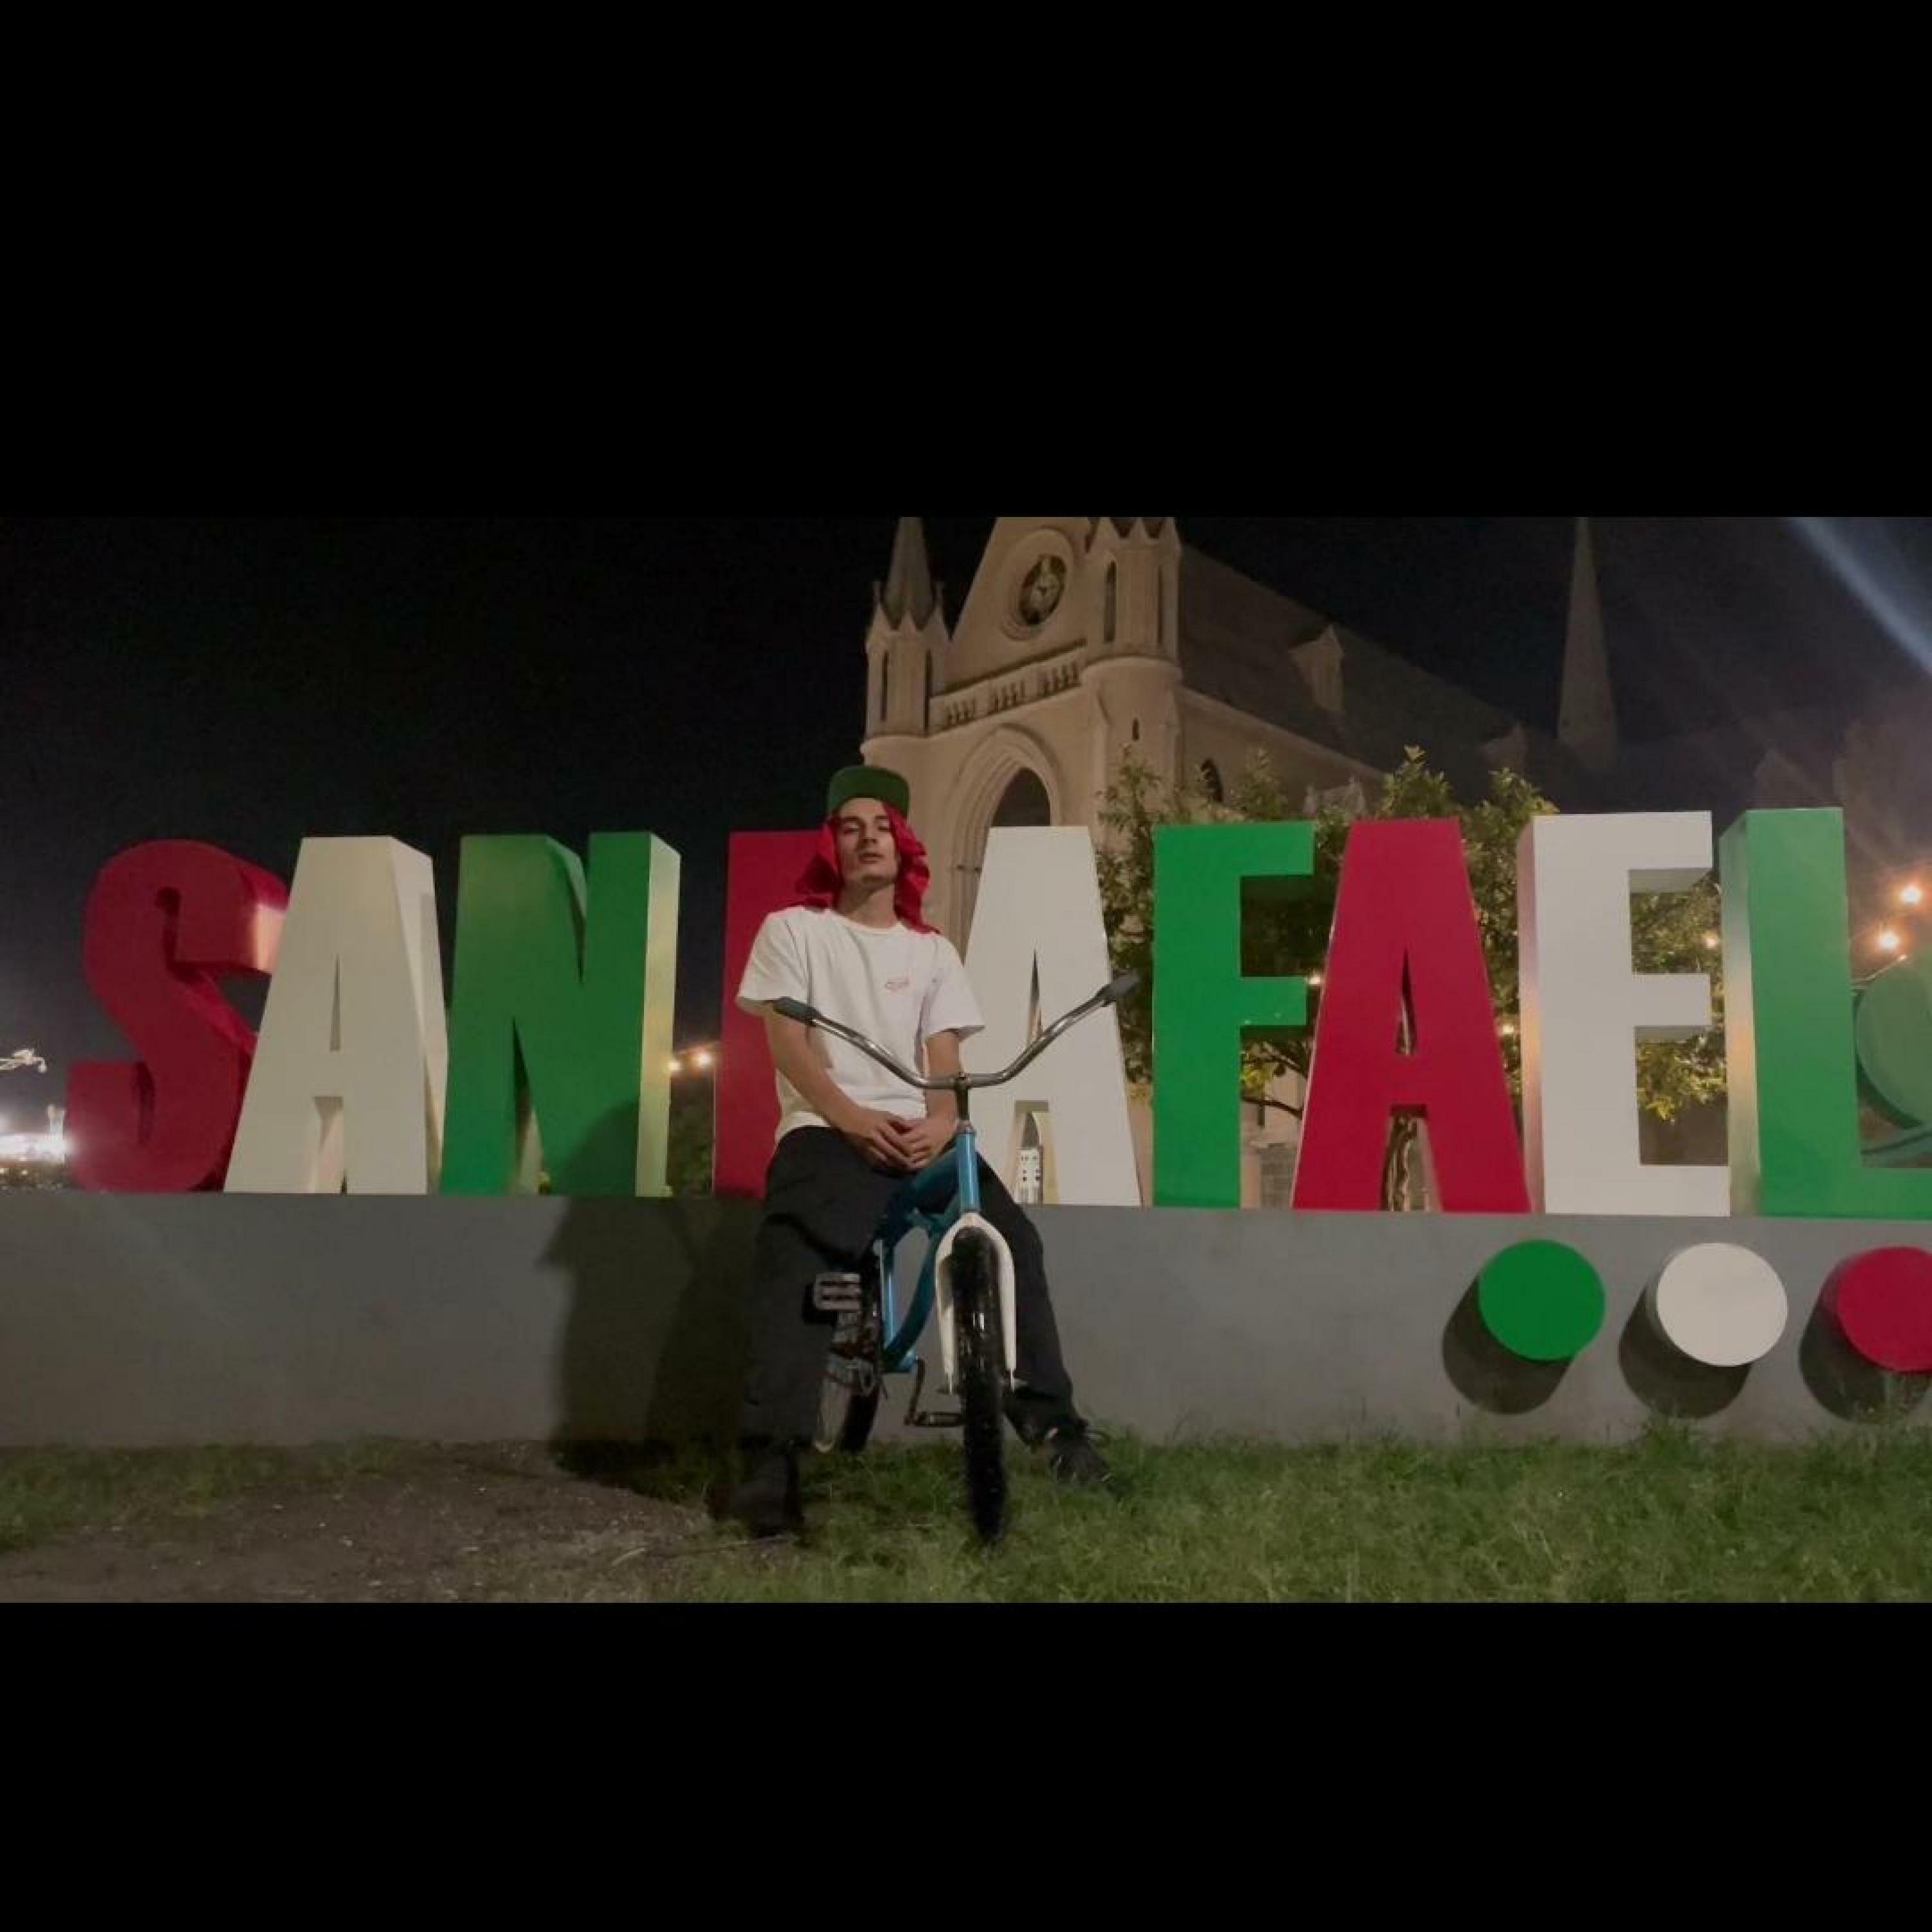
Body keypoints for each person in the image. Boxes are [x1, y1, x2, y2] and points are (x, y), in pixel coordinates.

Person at [726, 763, 1110, 1537]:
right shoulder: (795, 931)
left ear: (903, 846)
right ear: (832, 844)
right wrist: (848, 1117)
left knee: (1011, 1238)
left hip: (918, 1132)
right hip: (828, 1129)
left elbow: (943, 1060)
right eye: (851, 827)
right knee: (799, 1251)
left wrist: (942, 1120)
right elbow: (788, 1045)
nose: (868, 840)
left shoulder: (932, 952)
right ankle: (769, 1459)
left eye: (883, 828)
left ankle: (1055, 1428)